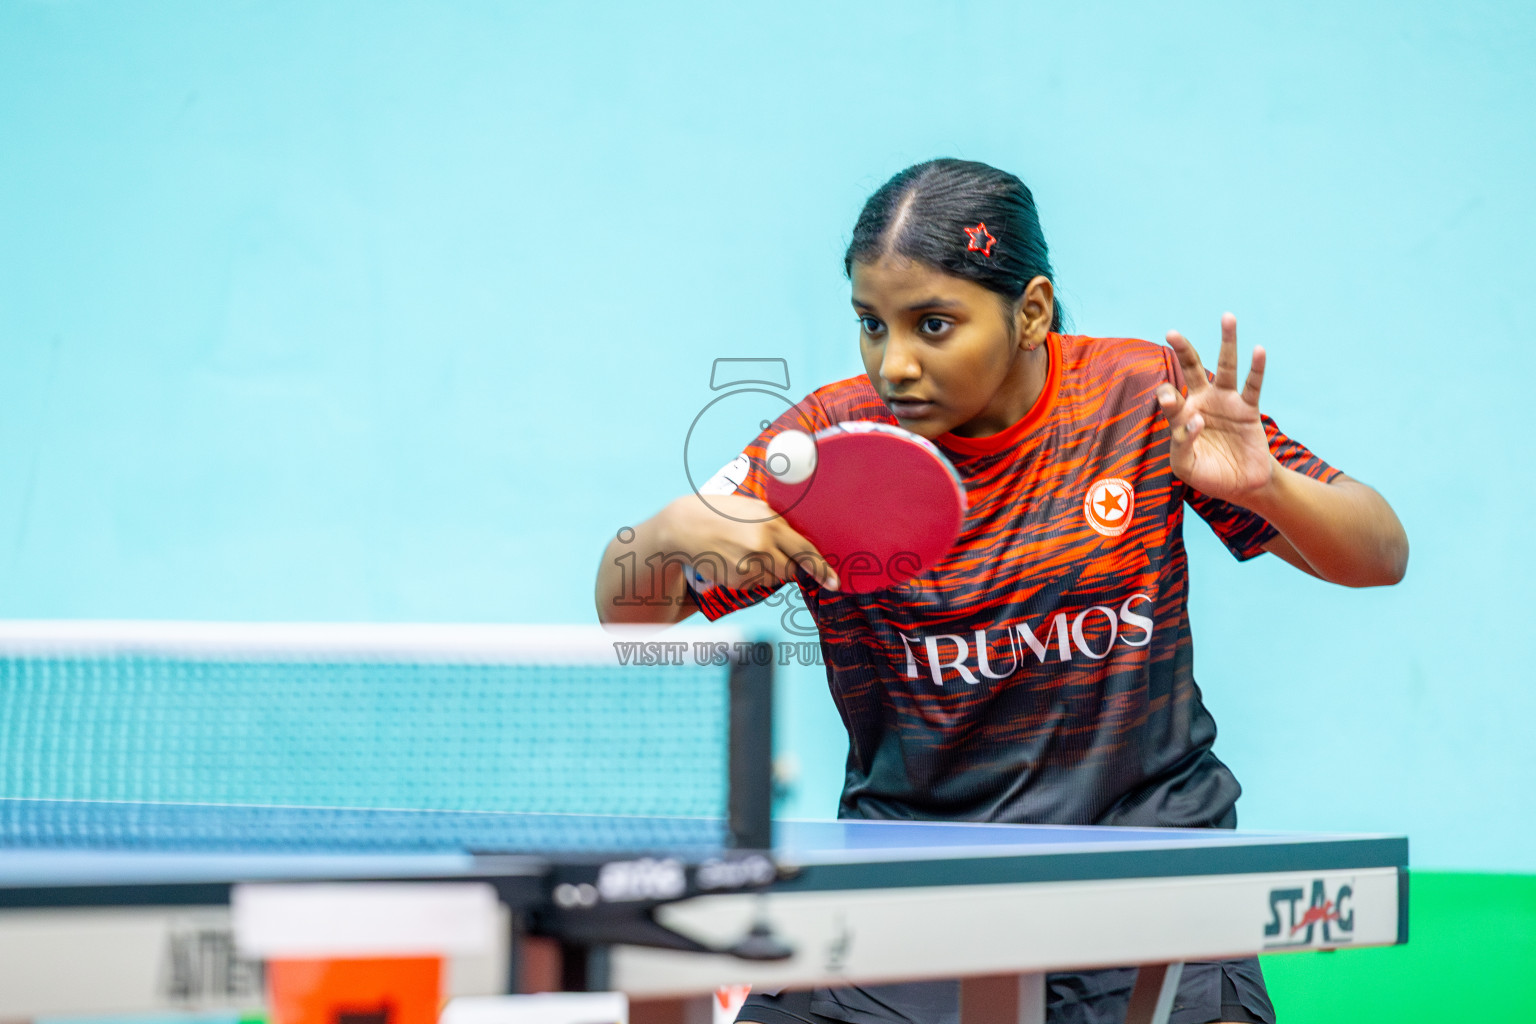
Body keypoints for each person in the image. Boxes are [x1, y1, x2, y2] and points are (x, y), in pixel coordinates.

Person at [593, 159, 1408, 1024]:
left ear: (1031, 311)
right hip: (905, 893)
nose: (894, 363)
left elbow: (1379, 551)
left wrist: (1265, 488)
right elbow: (627, 609)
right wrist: (672, 530)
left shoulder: (1142, 400)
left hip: (1150, 887)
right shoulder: (831, 443)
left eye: (932, 325)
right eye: (872, 325)